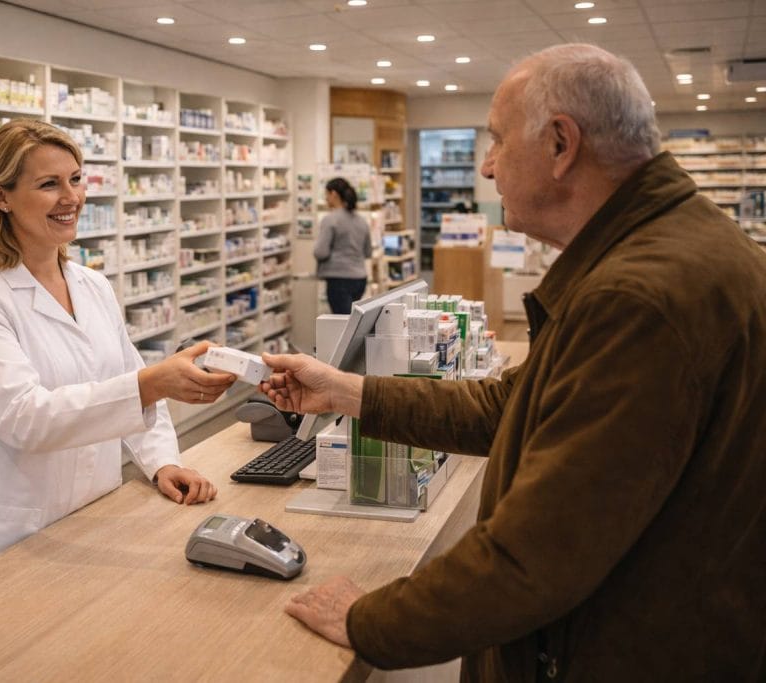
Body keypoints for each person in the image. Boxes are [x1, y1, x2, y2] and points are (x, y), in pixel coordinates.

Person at [260, 44, 766, 681]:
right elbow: (514, 407)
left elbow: (536, 557)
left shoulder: (638, 297)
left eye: (497, 140)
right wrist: (346, 392)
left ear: (561, 144)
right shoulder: (660, 253)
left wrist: (369, 620)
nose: (489, 166)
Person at [0, 119, 235, 595]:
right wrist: (152, 383)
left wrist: (163, 462)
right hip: (4, 536)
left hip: (90, 519)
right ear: (1, 196)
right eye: (49, 184)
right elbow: (25, 418)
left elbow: (127, 382)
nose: (72, 197)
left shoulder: (92, 285)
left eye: (76, 179)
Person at [313, 177, 373, 314]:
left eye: (326, 194)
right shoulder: (361, 220)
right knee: (352, 320)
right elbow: (368, 252)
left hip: (339, 279)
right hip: (360, 279)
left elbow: (320, 252)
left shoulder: (330, 219)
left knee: (342, 323)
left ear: (333, 194)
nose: (325, 199)